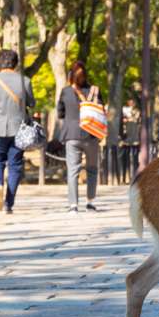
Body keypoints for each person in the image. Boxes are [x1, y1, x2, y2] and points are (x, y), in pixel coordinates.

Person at [0, 49, 35, 214]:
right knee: (15, 166)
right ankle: (8, 204)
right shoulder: (25, 81)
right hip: (18, 128)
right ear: (16, 63)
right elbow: (32, 103)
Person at [57, 61, 103, 213]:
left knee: (73, 170)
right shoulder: (95, 91)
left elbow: (60, 113)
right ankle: (90, 202)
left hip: (72, 135)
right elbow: (101, 110)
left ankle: (73, 205)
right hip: (91, 134)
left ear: (71, 75)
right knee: (92, 169)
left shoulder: (65, 91)